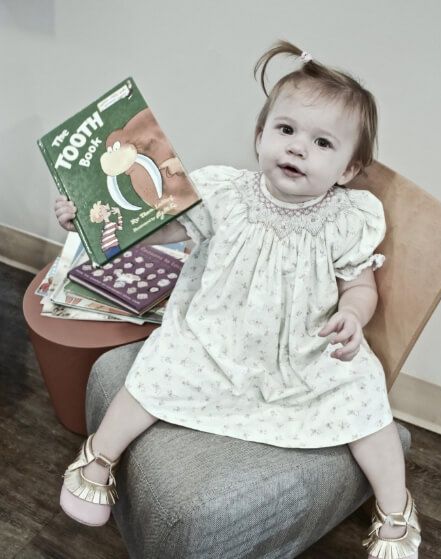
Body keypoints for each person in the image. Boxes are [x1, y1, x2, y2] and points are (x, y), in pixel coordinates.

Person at [54, 40, 421, 559]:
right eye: (286, 130)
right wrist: (92, 219)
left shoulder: (348, 217)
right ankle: (99, 456)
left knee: (363, 391)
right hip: (217, 334)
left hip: (303, 347)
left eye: (321, 143)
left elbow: (361, 285)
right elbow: (160, 229)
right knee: (160, 365)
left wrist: (352, 315)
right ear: (261, 136)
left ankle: (394, 507)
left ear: (347, 168)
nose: (297, 148)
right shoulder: (222, 193)